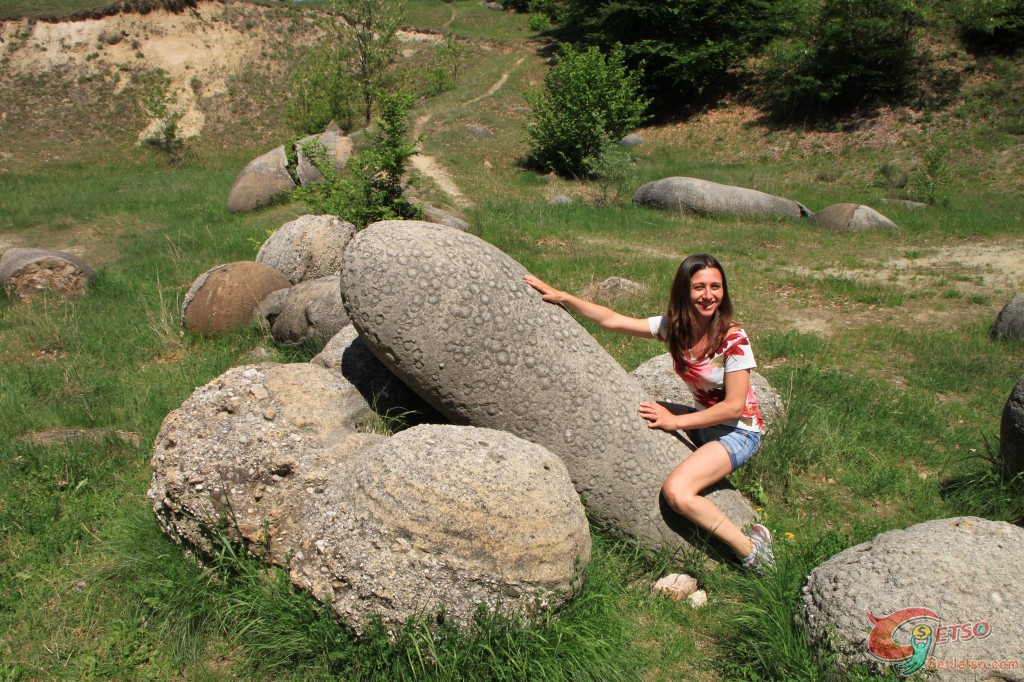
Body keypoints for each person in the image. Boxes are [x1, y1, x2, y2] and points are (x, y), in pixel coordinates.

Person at [524, 254, 775, 572]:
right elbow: (613, 320)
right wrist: (563, 297)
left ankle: (754, 551)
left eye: (716, 286)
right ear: (684, 291)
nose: (708, 295)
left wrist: (677, 421)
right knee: (635, 409)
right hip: (704, 420)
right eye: (699, 287)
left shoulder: (734, 340)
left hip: (738, 431)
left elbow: (733, 406)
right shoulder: (677, 328)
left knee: (678, 493)